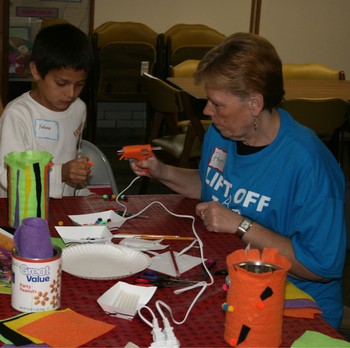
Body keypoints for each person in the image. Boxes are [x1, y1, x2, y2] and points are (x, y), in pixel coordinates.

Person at [131, 32, 347, 329]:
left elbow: (321, 266)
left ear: (255, 104)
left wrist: (240, 225)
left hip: (295, 304)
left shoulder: (309, 164)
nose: (207, 111)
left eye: (217, 104)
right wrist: (163, 171)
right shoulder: (223, 134)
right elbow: (218, 188)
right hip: (232, 283)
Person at [0, 23, 93, 198]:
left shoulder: (79, 108)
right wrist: (61, 173)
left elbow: (74, 153)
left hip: (62, 206)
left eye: (80, 84)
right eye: (61, 83)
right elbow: (9, 176)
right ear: (36, 71)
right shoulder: (18, 114)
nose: (71, 93)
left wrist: (81, 189)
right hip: (21, 210)